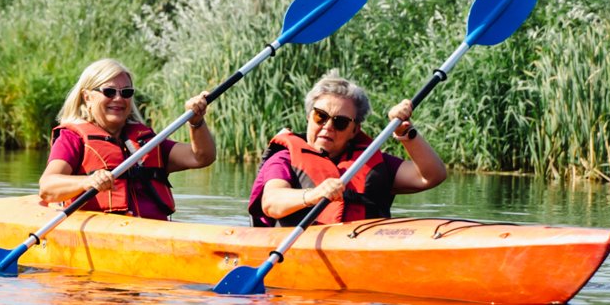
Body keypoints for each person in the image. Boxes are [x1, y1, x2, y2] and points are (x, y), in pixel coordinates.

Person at [249, 72, 448, 227]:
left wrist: (405, 133)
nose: (328, 126)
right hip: (301, 247)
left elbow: (432, 176)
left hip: (364, 247)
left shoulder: (371, 161)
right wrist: (313, 194)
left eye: (340, 122)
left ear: (354, 130)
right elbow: (271, 202)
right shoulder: (284, 159)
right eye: (320, 116)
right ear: (309, 117)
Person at [38, 58, 215, 221]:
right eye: (109, 92)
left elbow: (201, 157)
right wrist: (88, 181)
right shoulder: (72, 138)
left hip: (154, 231)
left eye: (126, 92)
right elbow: (47, 187)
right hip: (106, 233)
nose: (118, 99)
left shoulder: (147, 142)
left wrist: (196, 122)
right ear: (87, 97)